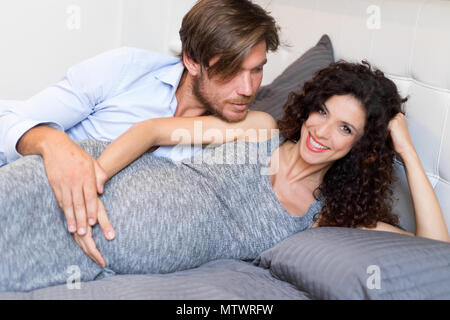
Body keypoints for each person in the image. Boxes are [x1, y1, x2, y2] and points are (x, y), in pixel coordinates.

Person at [0, 61, 448, 293]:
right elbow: (153, 131)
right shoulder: (261, 131)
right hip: (89, 188)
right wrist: (91, 184)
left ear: (359, 146)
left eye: (345, 129)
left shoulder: (327, 213)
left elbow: (435, 253)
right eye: (322, 111)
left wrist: (405, 150)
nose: (322, 131)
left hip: (100, 252)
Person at [0, 0, 279, 238]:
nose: (247, 88)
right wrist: (51, 142)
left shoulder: (233, 132)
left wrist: (154, 131)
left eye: (256, 70)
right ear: (192, 61)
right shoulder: (126, 69)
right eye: (230, 71)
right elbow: (8, 120)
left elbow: (265, 130)